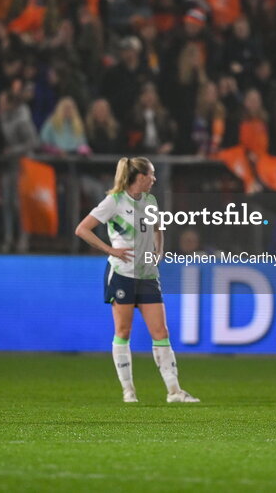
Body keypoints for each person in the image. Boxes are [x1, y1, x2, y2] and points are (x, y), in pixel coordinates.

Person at [74, 157, 199, 404]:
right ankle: (128, 390)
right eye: (150, 175)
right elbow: (82, 229)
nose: (154, 179)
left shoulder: (150, 201)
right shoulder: (114, 201)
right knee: (123, 331)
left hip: (147, 275)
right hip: (122, 274)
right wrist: (111, 250)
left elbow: (158, 228)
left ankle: (174, 391)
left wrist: (158, 252)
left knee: (161, 331)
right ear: (139, 177)